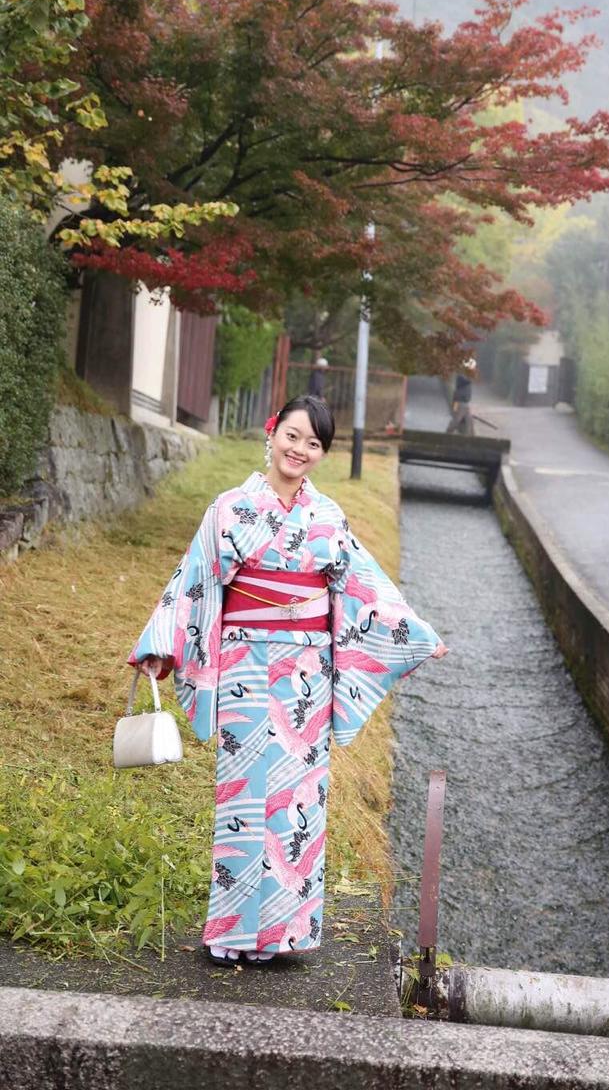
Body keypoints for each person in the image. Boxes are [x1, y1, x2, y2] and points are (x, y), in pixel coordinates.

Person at [128, 394, 447, 967]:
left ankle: (284, 935)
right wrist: (161, 645)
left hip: (306, 677)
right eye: (293, 436)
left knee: (298, 802)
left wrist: (415, 633)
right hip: (245, 664)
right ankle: (231, 934)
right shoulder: (229, 508)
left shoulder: (327, 519)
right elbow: (194, 580)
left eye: (315, 443)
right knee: (244, 797)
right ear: (272, 433)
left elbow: (363, 589)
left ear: (322, 453)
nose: (300, 450)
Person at [446, 358, 477, 435]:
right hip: (460, 403)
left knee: (470, 421)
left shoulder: (465, 375)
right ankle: (447, 434)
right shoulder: (461, 376)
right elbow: (467, 381)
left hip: (465, 403)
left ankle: (472, 438)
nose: (473, 368)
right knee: (456, 420)